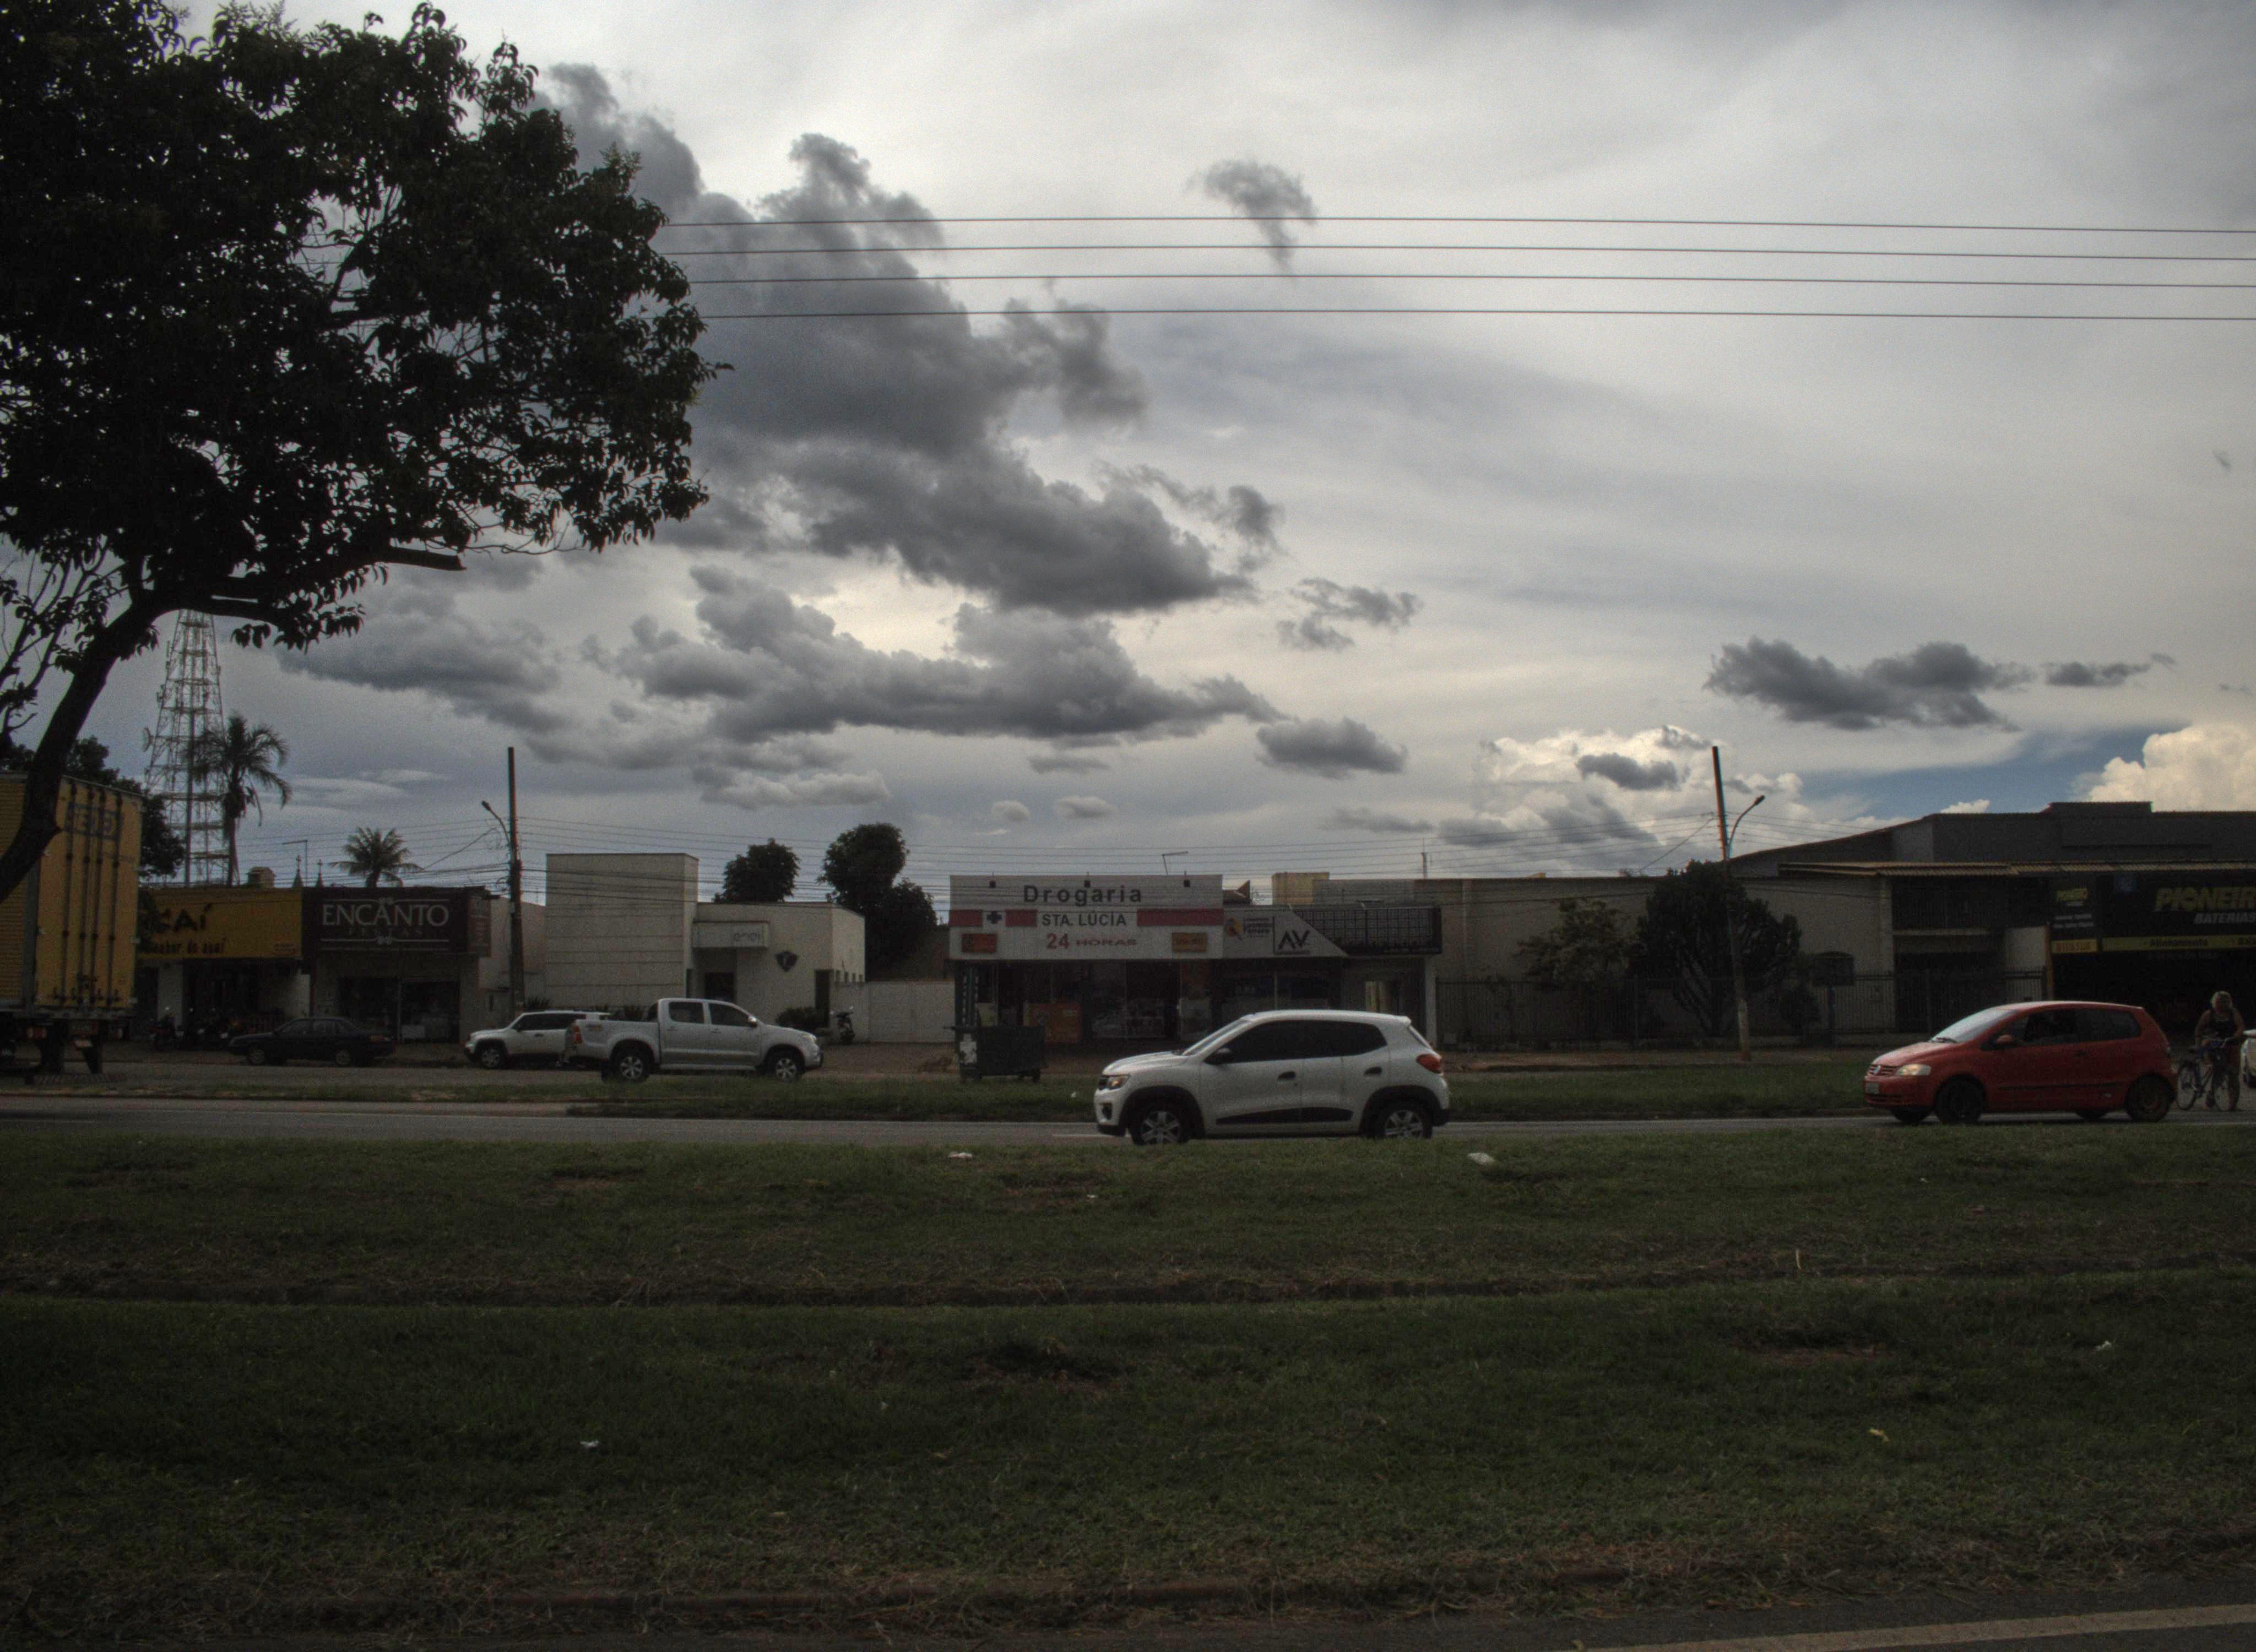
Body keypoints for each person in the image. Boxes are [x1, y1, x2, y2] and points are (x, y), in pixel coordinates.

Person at [2192, 990, 2246, 1111]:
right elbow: (2199, 1029)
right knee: (2218, 1073)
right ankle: (2211, 1099)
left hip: (2231, 1045)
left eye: (2224, 1002)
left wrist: (2235, 1036)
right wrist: (2199, 1044)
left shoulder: (2233, 1013)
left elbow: (2241, 1026)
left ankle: (2233, 1103)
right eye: (2219, 1002)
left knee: (2233, 1075)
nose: (2221, 1005)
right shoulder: (2209, 1015)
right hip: (2215, 1045)